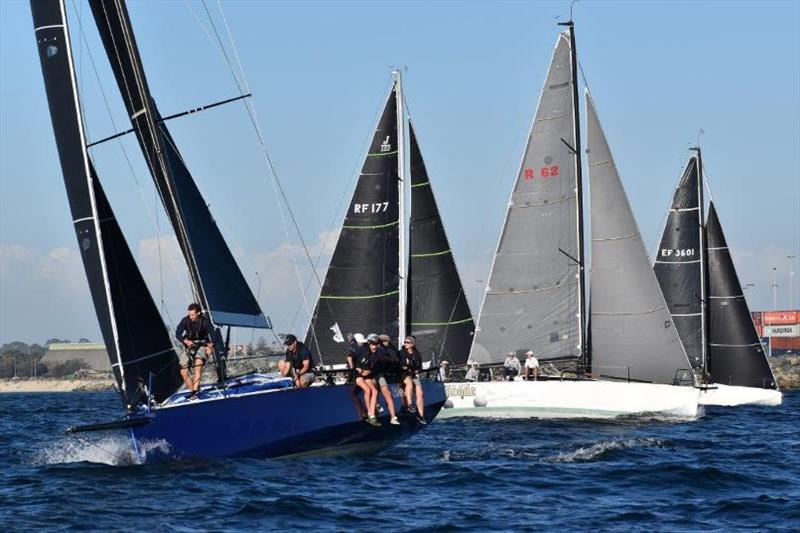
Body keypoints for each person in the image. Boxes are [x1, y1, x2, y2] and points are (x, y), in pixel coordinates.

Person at [175, 302, 214, 400]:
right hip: (189, 345)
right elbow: (178, 333)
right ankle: (192, 391)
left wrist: (210, 347)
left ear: (198, 313)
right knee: (183, 371)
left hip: (201, 345)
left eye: (192, 315)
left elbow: (213, 336)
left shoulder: (205, 322)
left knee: (198, 365)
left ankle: (195, 393)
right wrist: (185, 341)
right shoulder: (185, 320)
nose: (190, 317)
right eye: (189, 314)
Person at [355, 334, 381, 426]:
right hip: (358, 375)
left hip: (366, 375)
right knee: (368, 390)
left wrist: (368, 371)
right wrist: (357, 368)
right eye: (372, 344)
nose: (374, 346)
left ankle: (371, 414)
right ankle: (370, 413)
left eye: (376, 344)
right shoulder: (362, 350)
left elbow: (370, 368)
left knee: (375, 391)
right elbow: (352, 359)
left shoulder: (376, 354)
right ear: (369, 344)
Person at [399, 335, 426, 424]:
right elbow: (401, 365)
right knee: (409, 383)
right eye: (405, 342)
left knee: (420, 391)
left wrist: (417, 369)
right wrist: (408, 367)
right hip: (403, 374)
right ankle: (410, 404)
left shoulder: (417, 353)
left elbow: (419, 366)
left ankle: (421, 415)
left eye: (408, 342)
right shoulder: (401, 353)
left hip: (413, 374)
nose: (406, 344)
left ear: (413, 344)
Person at [375, 334, 400, 425]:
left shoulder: (391, 349)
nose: (382, 343)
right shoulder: (377, 349)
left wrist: (385, 359)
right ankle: (376, 406)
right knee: (374, 389)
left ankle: (393, 417)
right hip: (376, 374)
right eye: (380, 341)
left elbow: (392, 360)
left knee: (386, 392)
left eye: (384, 341)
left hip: (385, 374)